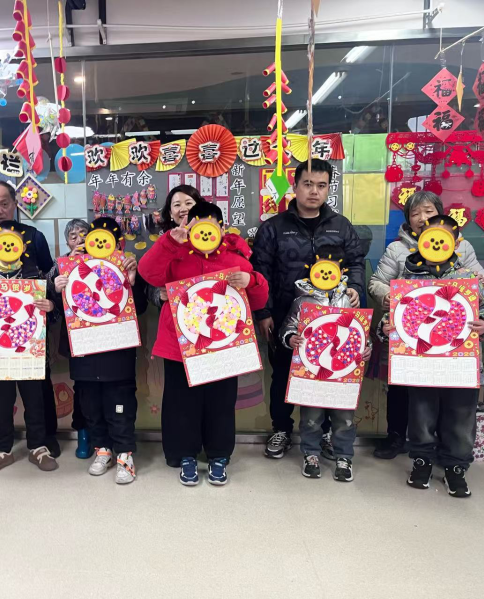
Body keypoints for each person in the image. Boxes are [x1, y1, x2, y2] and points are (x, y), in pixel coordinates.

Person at [139, 202, 269, 486]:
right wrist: (169, 242)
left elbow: (259, 301)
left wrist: (251, 280)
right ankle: (185, 455)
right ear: (189, 225)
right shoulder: (176, 255)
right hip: (180, 346)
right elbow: (147, 273)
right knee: (181, 403)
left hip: (223, 346)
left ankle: (218, 455)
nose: (205, 230)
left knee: (220, 403)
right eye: (197, 222)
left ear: (222, 227)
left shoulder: (235, 259)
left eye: (212, 223)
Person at [377, 215, 484, 498]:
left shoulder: (468, 278)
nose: (435, 243)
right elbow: (395, 315)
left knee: (461, 416)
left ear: (455, 243)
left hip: (460, 365)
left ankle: (456, 467)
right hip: (421, 364)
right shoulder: (407, 279)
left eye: (443, 238)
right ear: (420, 241)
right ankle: (421, 461)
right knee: (421, 413)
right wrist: (385, 327)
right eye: (429, 237)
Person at [251, 159, 365, 460]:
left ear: (328, 189)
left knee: (326, 373)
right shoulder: (274, 227)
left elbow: (356, 262)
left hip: (332, 321)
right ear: (295, 185)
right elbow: (260, 272)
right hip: (285, 318)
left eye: (321, 185)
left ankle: (324, 433)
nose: (314, 191)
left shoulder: (341, 226)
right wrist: (263, 314)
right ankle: (281, 429)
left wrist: (355, 288)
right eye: (308, 184)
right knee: (282, 376)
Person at [368, 190, 484, 459]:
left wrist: (478, 286)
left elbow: (483, 283)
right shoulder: (397, 249)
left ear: (440, 215)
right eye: (415, 213)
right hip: (409, 335)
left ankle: (444, 450)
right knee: (402, 388)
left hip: (449, 336)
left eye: (428, 212)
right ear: (408, 219)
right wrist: (389, 296)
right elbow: (376, 282)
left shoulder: (462, 247)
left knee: (446, 395)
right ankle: (398, 438)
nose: (422, 218)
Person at [0, 180, 58, 461]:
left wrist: (46, 294)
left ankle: (44, 438)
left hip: (30, 326)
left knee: (38, 385)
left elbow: (49, 274)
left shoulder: (34, 236)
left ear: (15, 204)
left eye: (4, 204)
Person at [50, 217, 148, 484]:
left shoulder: (125, 264)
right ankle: (102, 449)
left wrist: (132, 281)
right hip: (85, 346)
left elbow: (139, 307)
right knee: (90, 402)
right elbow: (60, 306)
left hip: (117, 346)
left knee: (120, 401)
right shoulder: (72, 266)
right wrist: (57, 287)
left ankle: (124, 453)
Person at [279, 245, 372, 482]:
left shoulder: (350, 300)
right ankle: (310, 454)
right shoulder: (302, 301)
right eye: (321, 267)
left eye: (333, 268)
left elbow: (360, 330)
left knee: (344, 418)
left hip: (343, 372)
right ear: (312, 268)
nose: (327, 273)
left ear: (341, 271)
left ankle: (344, 456)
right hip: (311, 370)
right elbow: (288, 326)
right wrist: (290, 338)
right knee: (311, 417)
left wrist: (366, 348)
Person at [45, 218, 92, 459]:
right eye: (74, 236)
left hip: (107, 334)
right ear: (67, 242)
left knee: (108, 386)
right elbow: (46, 290)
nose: (80, 239)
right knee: (82, 386)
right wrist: (56, 284)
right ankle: (83, 434)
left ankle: (106, 436)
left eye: (84, 234)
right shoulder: (61, 262)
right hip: (76, 334)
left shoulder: (105, 257)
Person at [146, 185, 206, 309]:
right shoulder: (165, 242)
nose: (183, 209)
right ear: (170, 213)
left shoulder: (212, 237)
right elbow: (151, 284)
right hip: (176, 312)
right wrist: (160, 296)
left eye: (189, 203)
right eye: (177, 205)